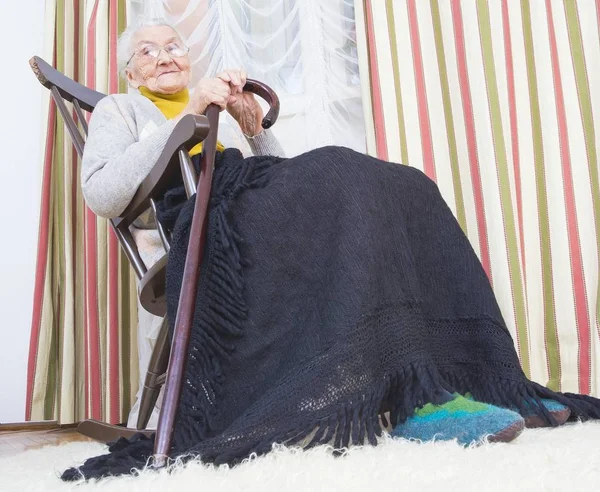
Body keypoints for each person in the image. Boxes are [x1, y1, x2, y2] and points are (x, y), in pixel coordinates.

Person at [64, 18, 600, 481]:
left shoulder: (207, 106)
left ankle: (484, 379)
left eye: (174, 46)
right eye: (147, 51)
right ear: (129, 74)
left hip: (242, 207)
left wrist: (252, 128)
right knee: (340, 171)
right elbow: (104, 193)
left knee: (409, 185)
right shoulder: (120, 110)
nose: (164, 56)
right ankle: (415, 397)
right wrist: (190, 118)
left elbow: (273, 175)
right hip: (204, 233)